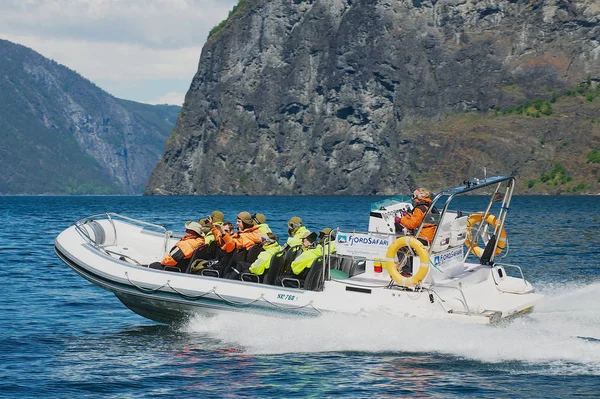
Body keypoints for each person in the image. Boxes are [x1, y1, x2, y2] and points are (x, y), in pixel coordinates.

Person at [393, 188, 438, 276]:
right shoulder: (429, 206)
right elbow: (419, 220)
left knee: (401, 246)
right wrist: (408, 216)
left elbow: (412, 224)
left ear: (419, 197)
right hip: (430, 235)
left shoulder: (419, 208)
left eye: (414, 196)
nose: (413, 199)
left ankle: (406, 271)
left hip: (423, 237)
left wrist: (400, 220)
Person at [211, 212, 263, 278]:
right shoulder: (257, 233)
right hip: (246, 263)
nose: (236, 223)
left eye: (239, 222)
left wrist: (222, 233)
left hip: (232, 264)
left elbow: (230, 244)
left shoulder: (242, 237)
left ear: (245, 223)